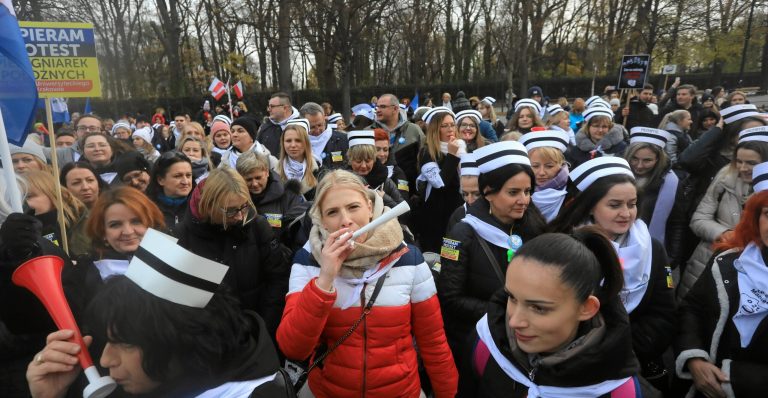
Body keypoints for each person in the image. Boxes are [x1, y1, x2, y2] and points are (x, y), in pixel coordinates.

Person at [25, 230, 293, 397]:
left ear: (185, 340)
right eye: (108, 341)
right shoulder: (157, 379)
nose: (106, 360)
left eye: (126, 343)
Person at [276, 169, 458, 398]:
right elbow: (294, 348)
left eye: (354, 207)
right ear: (321, 220)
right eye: (333, 212)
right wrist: (325, 278)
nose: (346, 221)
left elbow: (433, 343)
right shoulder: (307, 260)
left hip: (401, 390)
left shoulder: (408, 258)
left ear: (370, 208)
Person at [460, 228, 654, 397]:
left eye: (539, 308)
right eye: (511, 297)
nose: (513, 322)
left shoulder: (623, 392)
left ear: (586, 308)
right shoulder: (485, 345)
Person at [549, 157, 677, 388]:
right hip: (573, 361)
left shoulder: (651, 248)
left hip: (633, 360)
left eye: (632, 204)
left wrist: (624, 352)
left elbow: (663, 313)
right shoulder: (564, 246)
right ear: (590, 206)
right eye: (615, 205)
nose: (626, 214)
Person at [440, 141, 547, 363]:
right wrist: (506, 311)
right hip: (480, 341)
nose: (523, 200)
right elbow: (451, 297)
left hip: (526, 339)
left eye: (527, 191)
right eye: (513, 192)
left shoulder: (533, 225)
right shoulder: (462, 232)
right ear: (488, 193)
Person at [675, 168, 768, 397]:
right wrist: (694, 358)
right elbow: (692, 309)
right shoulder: (728, 261)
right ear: (756, 218)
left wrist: (732, 378)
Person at [176, 167, 292, 339]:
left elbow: (277, 279)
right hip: (206, 338)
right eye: (230, 211)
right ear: (209, 205)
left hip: (255, 331)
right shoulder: (183, 235)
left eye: (244, 206)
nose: (240, 216)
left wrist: (263, 328)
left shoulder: (257, 226)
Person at [681, 128, 768, 299]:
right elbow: (699, 219)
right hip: (710, 261)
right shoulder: (725, 177)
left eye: (751, 163)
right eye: (739, 161)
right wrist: (725, 234)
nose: (743, 168)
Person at [624, 127, 688, 269]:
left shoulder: (671, 183)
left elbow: (677, 223)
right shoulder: (616, 176)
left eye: (647, 160)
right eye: (634, 158)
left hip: (652, 253)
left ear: (658, 159)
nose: (639, 166)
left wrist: (671, 258)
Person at [415, 107, 465, 252]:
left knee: (458, 253)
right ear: (436, 129)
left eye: (452, 124)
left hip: (458, 209)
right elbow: (440, 184)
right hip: (437, 216)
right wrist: (452, 156)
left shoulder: (461, 148)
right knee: (442, 255)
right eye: (444, 126)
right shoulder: (428, 152)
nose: (450, 129)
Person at [236, 150, 305, 243]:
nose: (254, 184)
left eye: (258, 178)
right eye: (248, 180)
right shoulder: (233, 199)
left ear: (267, 172)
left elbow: (298, 236)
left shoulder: (289, 196)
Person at [24, 170, 91, 257]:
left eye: (29, 196)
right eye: (20, 198)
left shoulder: (79, 219)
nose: (24, 202)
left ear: (52, 194)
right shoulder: (22, 230)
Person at [369, 94, 425, 193]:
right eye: (377, 107)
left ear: (395, 109)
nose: (377, 110)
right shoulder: (368, 132)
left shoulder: (414, 130)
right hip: (375, 192)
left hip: (410, 193)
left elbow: (423, 161)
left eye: (382, 107)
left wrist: (419, 192)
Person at [519, 129, 571, 222]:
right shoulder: (517, 191)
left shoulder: (573, 191)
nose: (542, 172)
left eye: (549, 166)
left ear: (561, 164)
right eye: (535, 166)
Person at [346, 130, 404, 208]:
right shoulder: (342, 182)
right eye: (358, 161)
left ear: (374, 159)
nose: (363, 166)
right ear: (350, 160)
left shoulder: (386, 182)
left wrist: (384, 198)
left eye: (367, 161)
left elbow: (404, 212)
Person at [146, 151, 193, 237]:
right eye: (177, 176)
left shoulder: (199, 208)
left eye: (188, 175)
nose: (185, 181)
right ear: (160, 180)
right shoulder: (146, 209)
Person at [277, 119, 319, 200]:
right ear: (283, 143)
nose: (293, 145)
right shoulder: (273, 173)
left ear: (306, 143)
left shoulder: (319, 172)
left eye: (298, 140)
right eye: (288, 141)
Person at [300, 102, 349, 170]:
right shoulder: (296, 143)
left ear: (324, 118)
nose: (317, 130)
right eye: (312, 127)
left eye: (320, 125)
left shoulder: (343, 139)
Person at [446, 153, 481, 234]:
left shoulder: (505, 215)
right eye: (465, 194)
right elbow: (448, 246)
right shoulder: (458, 215)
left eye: (477, 194)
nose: (470, 201)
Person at [373, 128, 410, 200]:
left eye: (385, 150)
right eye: (377, 150)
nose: (382, 154)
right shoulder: (363, 169)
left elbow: (404, 202)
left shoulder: (397, 173)